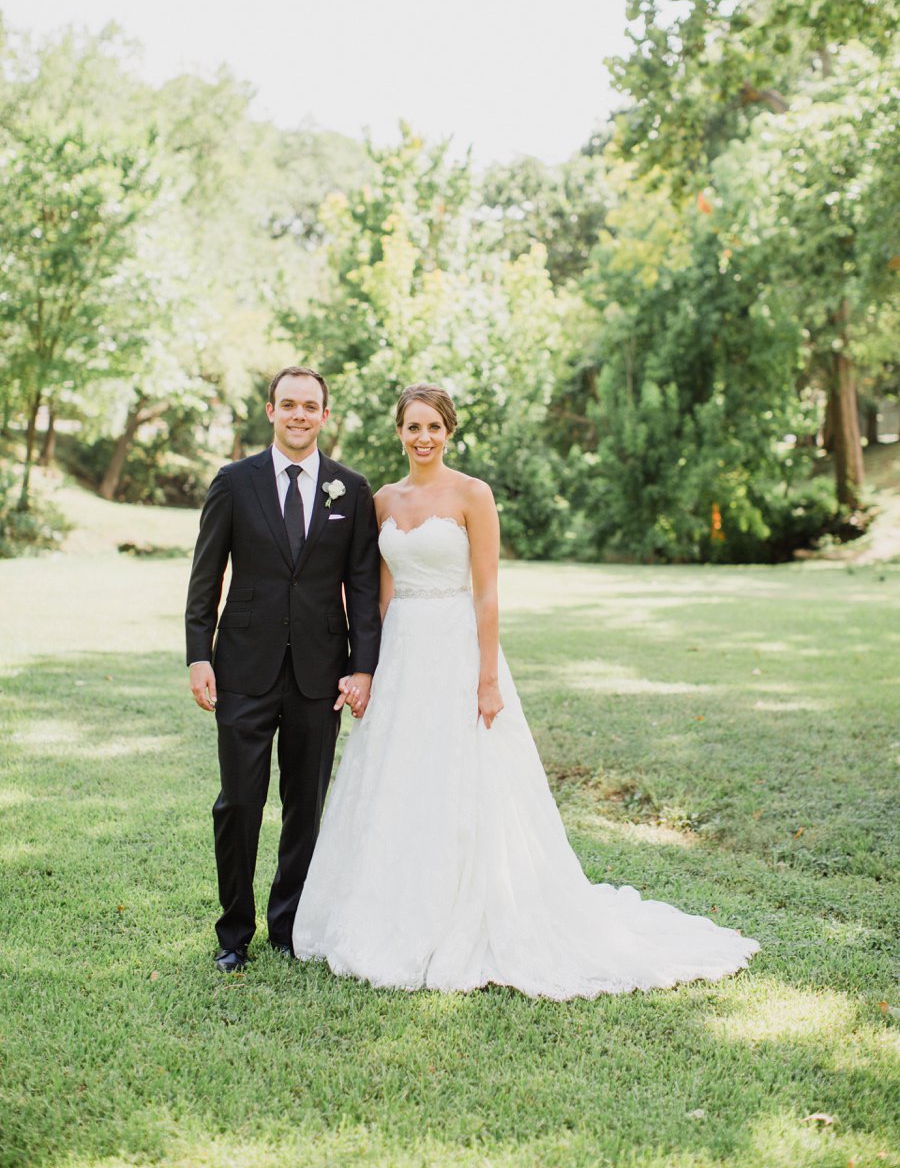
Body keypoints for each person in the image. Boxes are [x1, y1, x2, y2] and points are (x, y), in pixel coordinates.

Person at [292, 383, 759, 998]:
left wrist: (487, 677)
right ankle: (392, 907)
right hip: (403, 651)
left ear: (449, 431)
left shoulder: (472, 495)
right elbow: (377, 595)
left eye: (434, 426)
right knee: (398, 775)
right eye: (413, 427)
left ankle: (477, 909)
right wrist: (368, 667)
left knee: (467, 777)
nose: (423, 437)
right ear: (398, 432)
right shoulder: (381, 500)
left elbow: (486, 590)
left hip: (458, 646)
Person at [185, 366, 381, 972]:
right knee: (239, 803)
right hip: (242, 665)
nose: (300, 415)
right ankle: (233, 934)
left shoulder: (351, 489)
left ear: (325, 416)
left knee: (305, 806)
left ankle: (287, 926)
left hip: (319, 675)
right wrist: (198, 654)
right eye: (288, 404)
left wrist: (363, 668)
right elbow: (206, 574)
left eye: (310, 406)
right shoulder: (233, 482)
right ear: (270, 410)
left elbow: (362, 586)